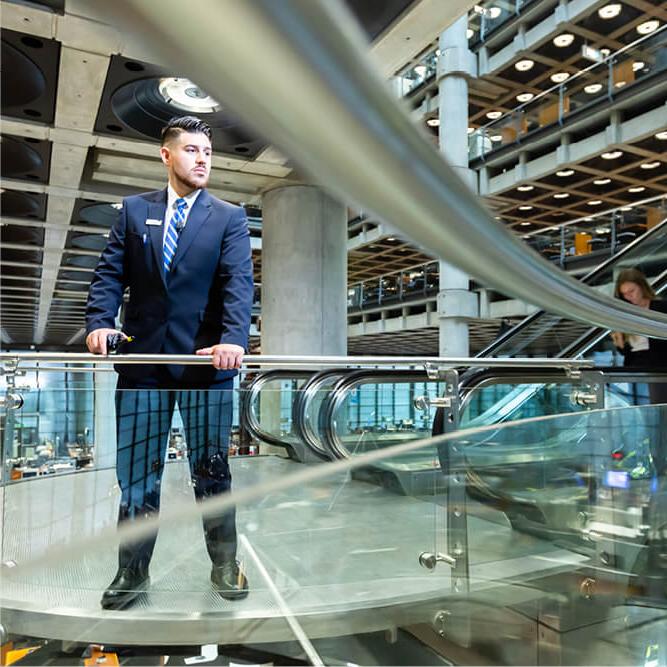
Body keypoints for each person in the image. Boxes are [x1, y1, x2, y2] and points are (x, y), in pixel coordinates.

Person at [85, 115, 254, 609]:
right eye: (192, 150)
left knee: (213, 473)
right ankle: (131, 573)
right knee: (137, 477)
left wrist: (233, 339)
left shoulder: (229, 217)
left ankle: (224, 563)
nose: (202, 159)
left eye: (207, 151)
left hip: (207, 367)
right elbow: (109, 274)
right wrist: (99, 321)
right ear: (166, 155)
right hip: (143, 364)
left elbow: (238, 286)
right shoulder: (135, 212)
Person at [612, 267, 667, 473]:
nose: (629, 297)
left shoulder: (660, 307)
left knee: (658, 416)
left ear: (642, 287)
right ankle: (652, 461)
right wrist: (619, 341)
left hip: (659, 368)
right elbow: (630, 352)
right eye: (624, 294)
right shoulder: (626, 314)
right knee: (643, 419)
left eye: (632, 291)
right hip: (637, 369)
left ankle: (660, 461)